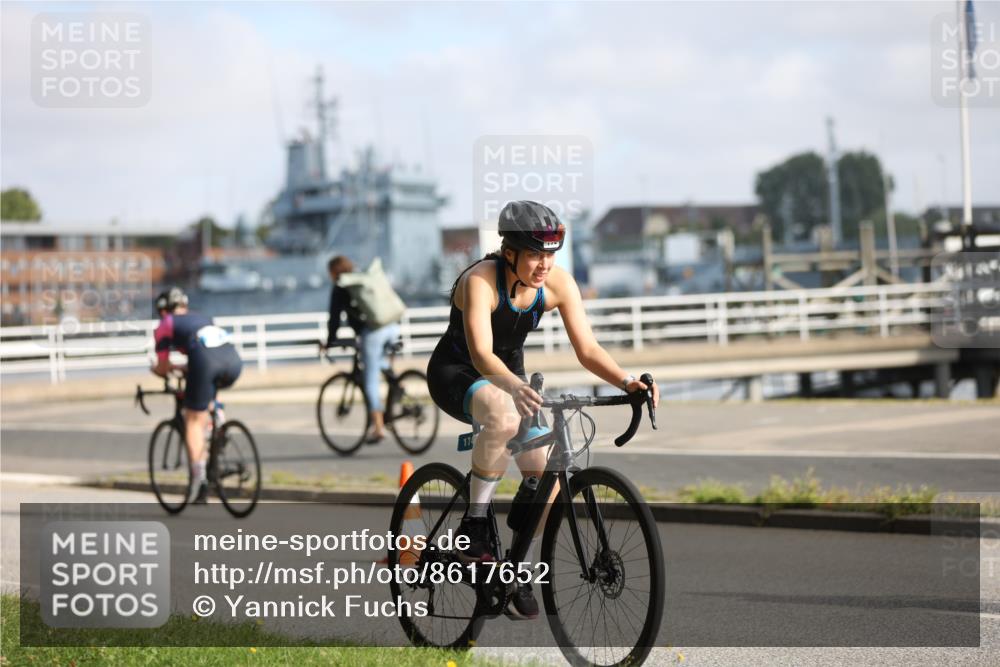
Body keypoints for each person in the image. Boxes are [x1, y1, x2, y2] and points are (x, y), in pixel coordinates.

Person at [426, 200, 659, 620]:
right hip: (457, 372)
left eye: (550, 255)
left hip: (510, 378)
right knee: (501, 414)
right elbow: (481, 355)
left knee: (549, 477)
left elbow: (587, 350)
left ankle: (516, 569)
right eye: (535, 255)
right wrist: (514, 387)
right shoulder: (480, 281)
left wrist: (627, 382)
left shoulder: (558, 284)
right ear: (509, 252)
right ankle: (474, 524)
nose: (544, 265)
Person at [151, 287, 242, 503]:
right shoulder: (203, 318)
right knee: (207, 392)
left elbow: (163, 366)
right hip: (233, 362)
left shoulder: (165, 324)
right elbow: (205, 350)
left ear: (163, 311)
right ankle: (218, 421)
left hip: (206, 363)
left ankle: (199, 481)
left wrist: (157, 369)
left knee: (192, 419)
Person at [320, 255, 401, 443]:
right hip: (392, 325)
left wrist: (330, 341)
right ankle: (398, 385)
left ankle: (378, 427)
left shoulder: (341, 285)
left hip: (373, 332)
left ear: (334, 271)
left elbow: (334, 318)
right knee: (378, 362)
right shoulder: (362, 275)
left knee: (370, 380)